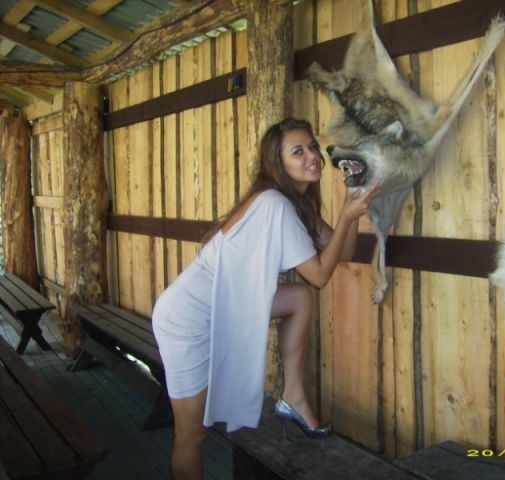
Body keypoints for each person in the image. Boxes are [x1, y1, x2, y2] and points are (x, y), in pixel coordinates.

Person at [152, 117, 380, 480]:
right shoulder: (274, 204)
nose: (312, 156)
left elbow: (344, 251)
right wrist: (346, 215)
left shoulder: (296, 206)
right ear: (278, 162)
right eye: (298, 151)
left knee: (299, 298)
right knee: (191, 434)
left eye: (312, 147)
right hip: (188, 317)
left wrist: (350, 210)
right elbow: (320, 275)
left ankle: (294, 396)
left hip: (227, 307)